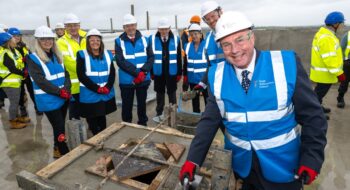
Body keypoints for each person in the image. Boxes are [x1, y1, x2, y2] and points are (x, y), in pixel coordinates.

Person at [179, 11, 328, 190]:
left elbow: (313, 116)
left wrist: (311, 158)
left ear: (252, 37)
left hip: (285, 170)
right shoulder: (216, 75)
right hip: (243, 169)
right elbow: (209, 122)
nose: (234, 50)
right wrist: (193, 160)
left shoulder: (285, 64)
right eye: (226, 45)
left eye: (240, 39)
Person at [27, 25, 71, 158]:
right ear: (38, 41)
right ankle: (64, 153)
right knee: (59, 127)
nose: (47, 42)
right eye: (43, 39)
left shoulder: (57, 55)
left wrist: (67, 90)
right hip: (48, 100)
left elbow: (66, 74)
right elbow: (40, 81)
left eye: (50, 39)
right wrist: (59, 92)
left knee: (60, 125)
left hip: (62, 97)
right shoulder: (33, 58)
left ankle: (57, 148)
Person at [114, 14, 154, 126]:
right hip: (127, 81)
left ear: (136, 25)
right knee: (127, 105)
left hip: (143, 79)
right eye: (127, 26)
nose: (130, 28)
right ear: (124, 27)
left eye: (132, 25)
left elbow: (151, 58)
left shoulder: (145, 40)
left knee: (142, 104)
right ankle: (127, 125)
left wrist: (144, 72)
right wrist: (138, 73)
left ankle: (143, 124)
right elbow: (120, 61)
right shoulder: (118, 42)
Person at [76, 29, 116, 135]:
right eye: (92, 40)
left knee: (102, 116)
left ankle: (103, 136)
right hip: (90, 93)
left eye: (97, 40)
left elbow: (112, 73)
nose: (95, 42)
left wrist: (108, 86)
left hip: (105, 92)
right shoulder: (81, 55)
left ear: (101, 41)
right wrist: (96, 88)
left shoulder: (107, 54)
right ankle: (96, 138)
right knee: (92, 118)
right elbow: (81, 75)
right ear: (88, 42)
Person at [310, 11, 346, 119]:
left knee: (319, 93)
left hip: (323, 73)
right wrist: (339, 73)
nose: (342, 26)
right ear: (335, 24)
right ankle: (314, 112)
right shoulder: (327, 38)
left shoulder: (324, 34)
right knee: (318, 94)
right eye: (341, 23)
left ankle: (317, 107)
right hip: (324, 74)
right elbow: (330, 59)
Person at [150, 17, 182, 118]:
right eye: (161, 29)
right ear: (158, 29)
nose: (163, 31)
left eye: (165, 29)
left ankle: (174, 113)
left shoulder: (176, 39)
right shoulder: (153, 40)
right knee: (160, 94)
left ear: (169, 28)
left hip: (171, 72)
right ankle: (159, 113)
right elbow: (150, 57)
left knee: (172, 93)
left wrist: (179, 73)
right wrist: (151, 72)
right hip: (158, 71)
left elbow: (179, 57)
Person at [57, 13, 86, 120]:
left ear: (79, 25)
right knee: (74, 113)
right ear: (65, 27)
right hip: (73, 85)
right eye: (70, 25)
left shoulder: (87, 37)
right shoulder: (61, 42)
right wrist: (88, 68)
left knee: (89, 110)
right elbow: (68, 62)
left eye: (75, 25)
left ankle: (92, 130)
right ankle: (76, 135)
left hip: (87, 83)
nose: (73, 28)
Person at [8, 27, 40, 116]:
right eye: (14, 36)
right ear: (10, 37)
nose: (17, 37)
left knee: (32, 90)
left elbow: (30, 57)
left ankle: (37, 107)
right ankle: (22, 108)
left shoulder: (24, 46)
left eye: (18, 35)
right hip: (17, 74)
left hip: (28, 72)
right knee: (20, 93)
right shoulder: (8, 48)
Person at [0, 32, 28, 129]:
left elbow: (17, 62)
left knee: (15, 102)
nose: (15, 40)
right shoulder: (5, 53)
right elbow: (12, 68)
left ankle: (17, 117)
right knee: (14, 103)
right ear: (7, 42)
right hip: (9, 83)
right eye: (12, 39)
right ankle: (13, 121)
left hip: (15, 82)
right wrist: (23, 73)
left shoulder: (12, 51)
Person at [182, 23, 208, 113]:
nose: (194, 36)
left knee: (208, 102)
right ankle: (197, 121)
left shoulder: (207, 46)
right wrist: (185, 80)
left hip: (205, 81)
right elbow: (185, 64)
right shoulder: (187, 46)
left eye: (196, 34)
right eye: (191, 34)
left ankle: (209, 122)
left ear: (201, 34)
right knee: (195, 103)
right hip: (192, 81)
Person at [336, 29, 350, 108]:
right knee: (344, 82)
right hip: (347, 63)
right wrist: (344, 60)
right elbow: (340, 49)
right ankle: (340, 98)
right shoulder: (347, 36)